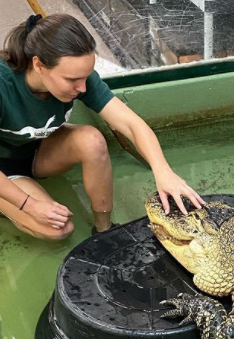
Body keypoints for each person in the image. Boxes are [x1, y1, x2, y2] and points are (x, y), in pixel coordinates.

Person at [0, 13, 204, 240]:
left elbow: (131, 123)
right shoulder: (3, 84)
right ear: (38, 64)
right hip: (4, 169)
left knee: (92, 140)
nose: (83, 88)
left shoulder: (81, 78)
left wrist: (163, 171)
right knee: (59, 230)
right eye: (72, 80)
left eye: (86, 77)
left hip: (36, 153)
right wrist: (28, 204)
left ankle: (104, 230)